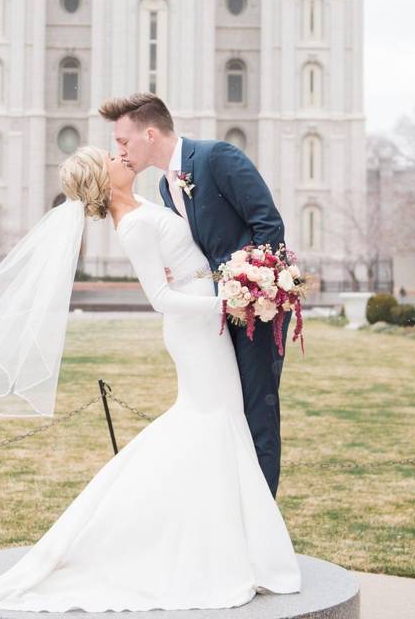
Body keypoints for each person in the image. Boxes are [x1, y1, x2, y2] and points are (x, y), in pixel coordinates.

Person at [0, 145, 300, 619]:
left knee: (216, 426)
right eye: (110, 157)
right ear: (102, 180)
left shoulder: (148, 205)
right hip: (195, 333)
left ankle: (223, 543)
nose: (120, 157)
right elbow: (161, 297)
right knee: (214, 423)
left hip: (206, 326)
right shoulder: (132, 226)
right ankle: (204, 545)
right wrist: (224, 303)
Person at [99, 92, 291, 499]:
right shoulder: (166, 188)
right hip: (211, 315)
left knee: (257, 411)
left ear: (149, 134)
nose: (120, 151)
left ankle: (260, 525)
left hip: (256, 308)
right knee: (225, 414)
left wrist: (254, 289)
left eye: (123, 142)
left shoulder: (216, 157)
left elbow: (268, 226)